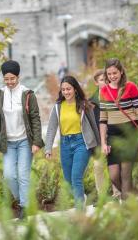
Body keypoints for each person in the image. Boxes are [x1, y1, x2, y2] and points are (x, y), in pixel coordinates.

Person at [0, 60, 44, 219]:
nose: (9, 82)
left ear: (18, 77)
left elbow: (35, 118)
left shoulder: (28, 94)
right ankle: (23, 200)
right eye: (6, 79)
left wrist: (36, 142)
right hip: (8, 143)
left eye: (12, 78)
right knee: (9, 176)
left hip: (25, 142)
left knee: (23, 175)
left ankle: (25, 209)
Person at [45, 75, 100, 209]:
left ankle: (79, 210)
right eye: (63, 90)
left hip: (82, 142)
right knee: (69, 181)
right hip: (65, 144)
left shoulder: (83, 105)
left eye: (68, 89)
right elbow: (52, 127)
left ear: (75, 89)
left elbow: (93, 125)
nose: (66, 92)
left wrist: (98, 146)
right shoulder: (58, 107)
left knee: (76, 178)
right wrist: (48, 148)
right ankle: (82, 197)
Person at [99, 58, 138, 200]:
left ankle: (126, 210)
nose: (112, 76)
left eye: (115, 73)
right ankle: (131, 196)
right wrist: (103, 142)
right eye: (109, 74)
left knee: (125, 175)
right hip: (113, 136)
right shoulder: (104, 91)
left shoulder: (131, 87)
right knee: (114, 176)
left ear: (121, 72)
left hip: (129, 133)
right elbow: (102, 119)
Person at [89, 70, 121, 199]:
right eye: (102, 80)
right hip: (98, 140)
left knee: (115, 166)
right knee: (98, 166)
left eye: (106, 79)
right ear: (96, 82)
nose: (105, 82)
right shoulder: (91, 102)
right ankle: (102, 197)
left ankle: (117, 193)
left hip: (113, 137)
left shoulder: (115, 97)